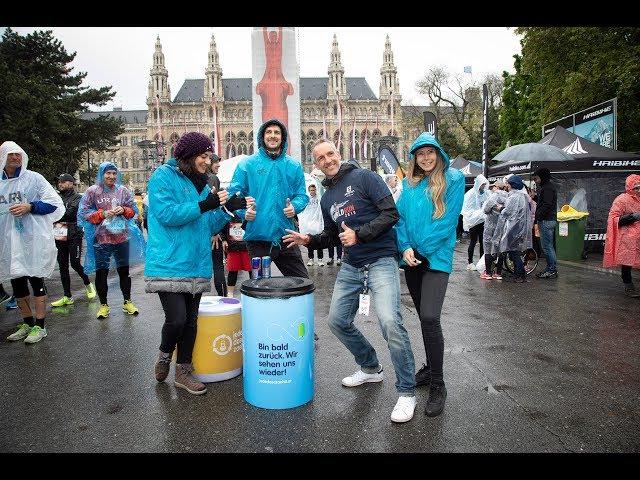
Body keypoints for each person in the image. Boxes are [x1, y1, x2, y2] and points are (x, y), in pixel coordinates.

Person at [283, 138, 417, 423]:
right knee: (336, 321)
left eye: (330, 154)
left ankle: (407, 392)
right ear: (315, 163)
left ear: (339, 154)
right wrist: (308, 239)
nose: (327, 160)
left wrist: (360, 234)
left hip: (380, 259)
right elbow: (332, 236)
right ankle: (370, 367)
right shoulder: (328, 197)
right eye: (320, 158)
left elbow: (391, 214)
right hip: (352, 265)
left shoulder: (365, 177)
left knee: (390, 322)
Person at [145, 132, 250, 394]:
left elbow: (208, 224)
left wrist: (227, 210)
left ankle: (183, 371)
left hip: (196, 261)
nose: (207, 161)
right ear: (189, 155)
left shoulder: (203, 185)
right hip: (169, 262)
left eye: (208, 156)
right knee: (177, 319)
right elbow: (167, 214)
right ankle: (164, 355)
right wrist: (205, 204)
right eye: (203, 156)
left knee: (192, 321)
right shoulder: (162, 177)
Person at [395, 133, 465, 417]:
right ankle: (429, 368)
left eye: (430, 152)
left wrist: (421, 249)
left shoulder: (454, 179)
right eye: (420, 153)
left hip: (436, 258)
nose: (425, 158)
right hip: (413, 259)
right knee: (424, 320)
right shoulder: (408, 184)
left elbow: (449, 221)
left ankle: (438, 384)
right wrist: (405, 247)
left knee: (430, 317)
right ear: (414, 157)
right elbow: (399, 220)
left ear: (438, 154)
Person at [227, 119, 309, 278]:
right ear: (262, 137)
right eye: (269, 132)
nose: (273, 136)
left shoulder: (294, 165)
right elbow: (233, 195)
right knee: (259, 287)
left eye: (277, 132)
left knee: (302, 283)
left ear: (283, 137)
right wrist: (244, 212)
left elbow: (302, 195)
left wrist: (295, 206)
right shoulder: (247, 164)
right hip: (258, 237)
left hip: (287, 236)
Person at [1, 141, 65, 344]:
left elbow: (55, 204)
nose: (15, 158)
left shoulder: (34, 179)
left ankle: (40, 325)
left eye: (18, 154)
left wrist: (30, 206)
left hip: (32, 239)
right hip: (9, 241)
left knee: (36, 279)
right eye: (11, 154)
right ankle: (26, 322)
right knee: (17, 283)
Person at [78, 161, 145, 319]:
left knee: (124, 272)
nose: (111, 176)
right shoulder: (93, 191)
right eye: (108, 173)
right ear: (102, 174)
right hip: (101, 239)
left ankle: (127, 302)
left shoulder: (123, 191)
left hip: (122, 237)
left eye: (114, 173)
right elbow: (84, 213)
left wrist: (124, 210)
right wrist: (102, 214)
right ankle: (103, 305)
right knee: (102, 273)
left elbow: (133, 211)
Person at [50, 173, 96, 306]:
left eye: (63, 182)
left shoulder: (78, 198)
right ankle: (67, 296)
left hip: (74, 234)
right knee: (62, 265)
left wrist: (57, 214)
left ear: (71, 183)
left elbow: (69, 213)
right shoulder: (56, 198)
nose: (60, 184)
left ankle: (88, 284)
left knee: (75, 263)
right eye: (59, 182)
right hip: (59, 233)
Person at [603, 174, 640, 298]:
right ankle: (628, 285)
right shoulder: (622, 199)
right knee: (627, 261)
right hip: (627, 237)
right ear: (629, 187)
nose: (638, 190)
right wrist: (632, 217)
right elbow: (613, 218)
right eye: (636, 187)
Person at [494, 175, 533, 283]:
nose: (506, 185)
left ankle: (519, 276)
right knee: (515, 252)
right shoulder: (523, 196)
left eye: (508, 183)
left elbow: (508, 212)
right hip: (520, 228)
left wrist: (500, 208)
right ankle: (521, 275)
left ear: (512, 185)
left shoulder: (513, 197)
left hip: (513, 228)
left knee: (513, 252)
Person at [207, 153, 227, 296]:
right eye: (215, 162)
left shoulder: (200, 178)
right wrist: (216, 232)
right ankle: (223, 299)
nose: (218, 165)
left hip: (202, 230)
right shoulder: (212, 178)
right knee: (218, 266)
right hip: (213, 231)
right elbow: (213, 204)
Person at [533, 167, 558, 278]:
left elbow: (547, 205)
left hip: (547, 220)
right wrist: (536, 198)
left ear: (542, 177)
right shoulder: (547, 187)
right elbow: (545, 202)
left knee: (547, 247)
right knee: (548, 246)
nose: (535, 181)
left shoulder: (547, 188)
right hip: (548, 220)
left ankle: (551, 270)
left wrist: (538, 215)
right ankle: (550, 269)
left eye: (536, 178)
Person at [480, 182, 508, 280]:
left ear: (497, 187)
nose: (492, 188)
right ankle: (498, 273)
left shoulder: (493, 197)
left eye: (493, 186)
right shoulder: (508, 197)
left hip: (490, 225)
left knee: (487, 246)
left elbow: (485, 210)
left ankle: (488, 273)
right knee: (500, 247)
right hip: (502, 226)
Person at [462, 174, 489, 270]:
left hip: (483, 220)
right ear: (478, 184)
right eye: (482, 184)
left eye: (485, 184)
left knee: (482, 242)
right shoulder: (471, 194)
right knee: (473, 241)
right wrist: (476, 214)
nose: (484, 186)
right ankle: (470, 262)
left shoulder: (485, 193)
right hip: (473, 222)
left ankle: (482, 262)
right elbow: (466, 208)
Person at [224, 213, 251, 297]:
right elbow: (223, 226)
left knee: (252, 270)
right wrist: (224, 239)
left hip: (248, 246)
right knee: (232, 270)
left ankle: (253, 290)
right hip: (233, 247)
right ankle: (230, 293)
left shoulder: (249, 209)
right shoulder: (229, 210)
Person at [298, 184, 325, 266]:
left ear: (315, 190)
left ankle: (320, 259)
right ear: (309, 191)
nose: (312, 191)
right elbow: (303, 211)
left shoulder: (319, 198)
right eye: (311, 190)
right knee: (309, 241)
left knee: (319, 241)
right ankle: (311, 258)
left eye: (313, 190)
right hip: (309, 223)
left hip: (317, 223)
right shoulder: (306, 200)